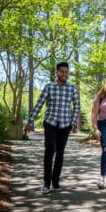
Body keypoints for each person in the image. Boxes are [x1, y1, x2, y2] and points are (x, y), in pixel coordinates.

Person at [24, 62, 80, 194]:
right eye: (62, 72)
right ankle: (46, 183)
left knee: (60, 153)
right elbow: (39, 104)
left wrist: (72, 123)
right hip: (50, 123)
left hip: (65, 125)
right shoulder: (49, 87)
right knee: (49, 152)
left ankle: (56, 182)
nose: (64, 74)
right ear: (56, 72)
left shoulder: (72, 88)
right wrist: (30, 121)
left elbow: (76, 106)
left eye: (66, 72)